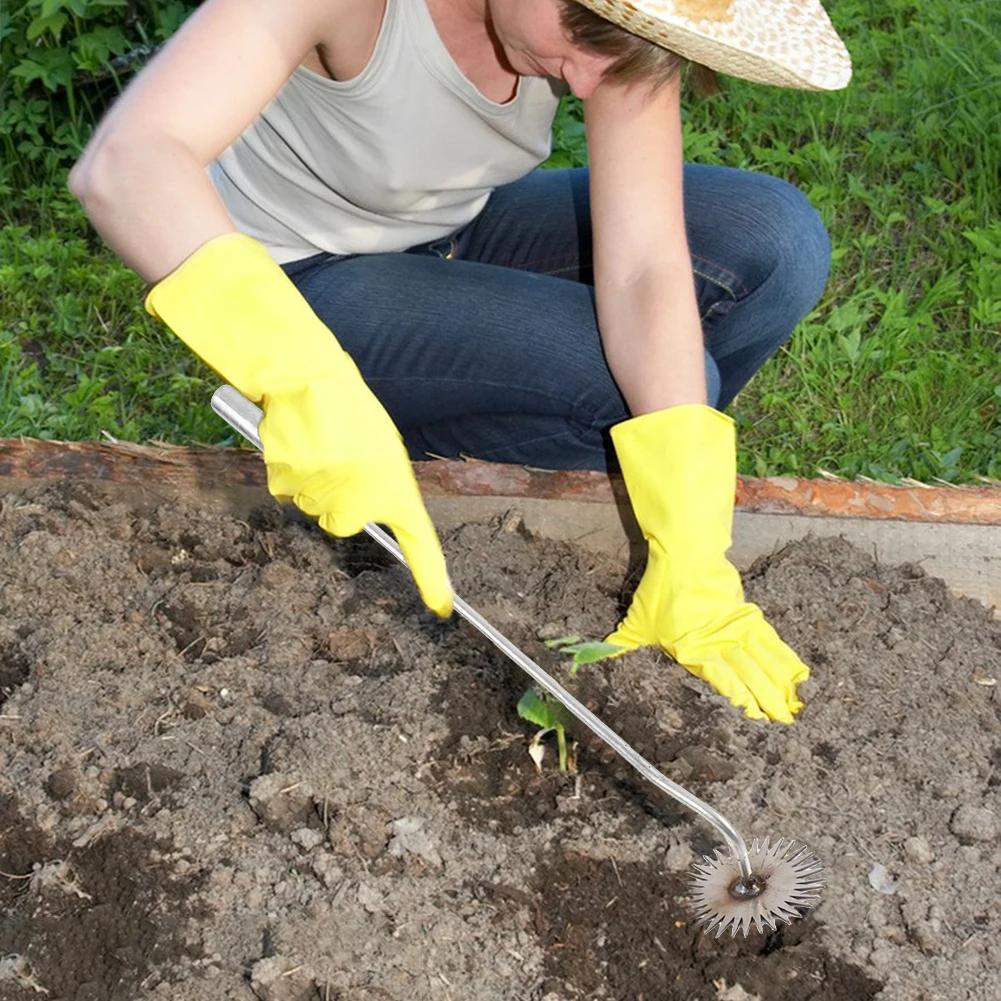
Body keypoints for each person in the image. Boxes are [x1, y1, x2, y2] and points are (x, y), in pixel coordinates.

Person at [69, 0, 851, 723]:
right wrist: (299, 376)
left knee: (772, 243)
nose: (587, 80)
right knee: (618, 394)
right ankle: (380, 461)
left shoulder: (615, 37)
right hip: (299, 283)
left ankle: (623, 529)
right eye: (585, 33)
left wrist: (693, 551)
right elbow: (128, 162)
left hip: (451, 230)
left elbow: (645, 264)